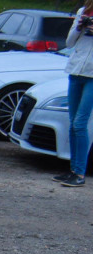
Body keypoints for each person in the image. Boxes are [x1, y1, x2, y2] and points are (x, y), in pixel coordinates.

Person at [56, 3, 93, 187]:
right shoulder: (82, 12)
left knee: (80, 123)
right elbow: (69, 42)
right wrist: (80, 25)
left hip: (92, 76)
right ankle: (72, 170)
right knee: (72, 124)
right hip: (76, 70)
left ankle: (80, 173)